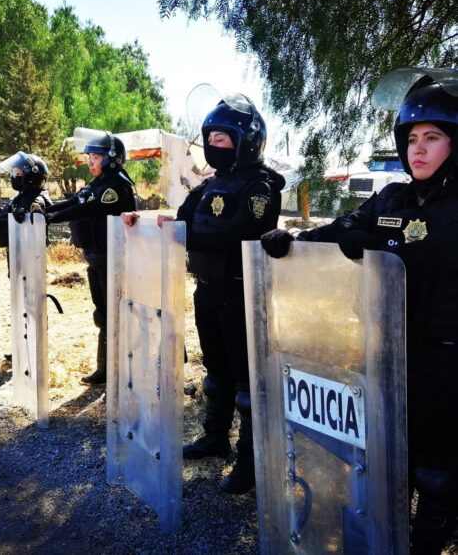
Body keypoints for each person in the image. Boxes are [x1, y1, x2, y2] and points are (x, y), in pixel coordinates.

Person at [262, 70, 458, 554]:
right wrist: (294, 241)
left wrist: (371, 247)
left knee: (437, 469)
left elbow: (435, 255)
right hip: (387, 350)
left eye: (433, 137)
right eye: (412, 138)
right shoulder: (392, 197)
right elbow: (346, 223)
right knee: (389, 454)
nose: (419, 148)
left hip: (444, 360)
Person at [124, 93, 285, 494]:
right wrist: (142, 221)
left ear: (246, 141)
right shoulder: (212, 183)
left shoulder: (260, 185)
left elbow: (241, 236)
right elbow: (179, 218)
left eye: (222, 138)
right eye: (209, 137)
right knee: (216, 373)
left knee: (247, 381)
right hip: (207, 291)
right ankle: (215, 439)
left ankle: (250, 465)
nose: (213, 144)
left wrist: (188, 235)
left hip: (241, 293)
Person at [45, 132, 136, 385]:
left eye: (95, 156)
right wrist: (45, 209)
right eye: (89, 156)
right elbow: (75, 200)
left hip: (114, 260)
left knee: (115, 315)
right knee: (103, 314)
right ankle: (105, 370)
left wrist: (51, 219)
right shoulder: (96, 185)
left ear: (112, 159)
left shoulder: (117, 186)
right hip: (96, 258)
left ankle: (120, 372)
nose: (90, 161)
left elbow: (86, 208)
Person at [0, 151, 52, 254]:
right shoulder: (17, 198)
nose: (13, 176)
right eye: (12, 173)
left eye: (17, 173)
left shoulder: (39, 198)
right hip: (15, 251)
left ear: (31, 176)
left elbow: (36, 214)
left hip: (31, 254)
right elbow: (2, 217)